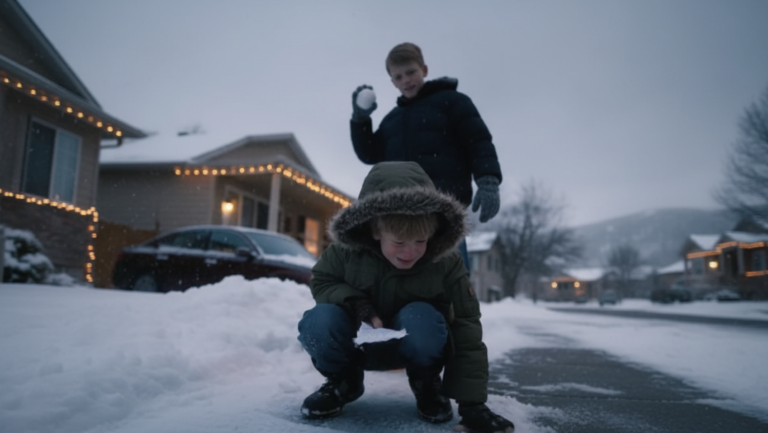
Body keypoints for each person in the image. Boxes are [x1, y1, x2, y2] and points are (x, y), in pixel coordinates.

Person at [297, 161, 515, 433]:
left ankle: (426, 385)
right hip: (357, 345)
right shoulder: (346, 252)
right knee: (319, 321)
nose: (410, 252)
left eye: (420, 241)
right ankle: (343, 382)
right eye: (399, 242)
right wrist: (356, 303)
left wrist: (472, 405)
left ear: (432, 232)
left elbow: (466, 326)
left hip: (420, 347)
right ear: (376, 230)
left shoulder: (446, 262)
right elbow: (322, 280)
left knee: (421, 316)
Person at [349, 42, 503, 269]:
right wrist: (360, 119)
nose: (406, 80)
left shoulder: (452, 102)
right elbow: (369, 154)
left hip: (445, 214)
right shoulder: (392, 120)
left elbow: (478, 141)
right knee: (399, 284)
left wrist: (488, 180)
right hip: (400, 218)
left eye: (411, 72)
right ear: (392, 82)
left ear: (425, 70)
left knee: (453, 281)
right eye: (398, 77)